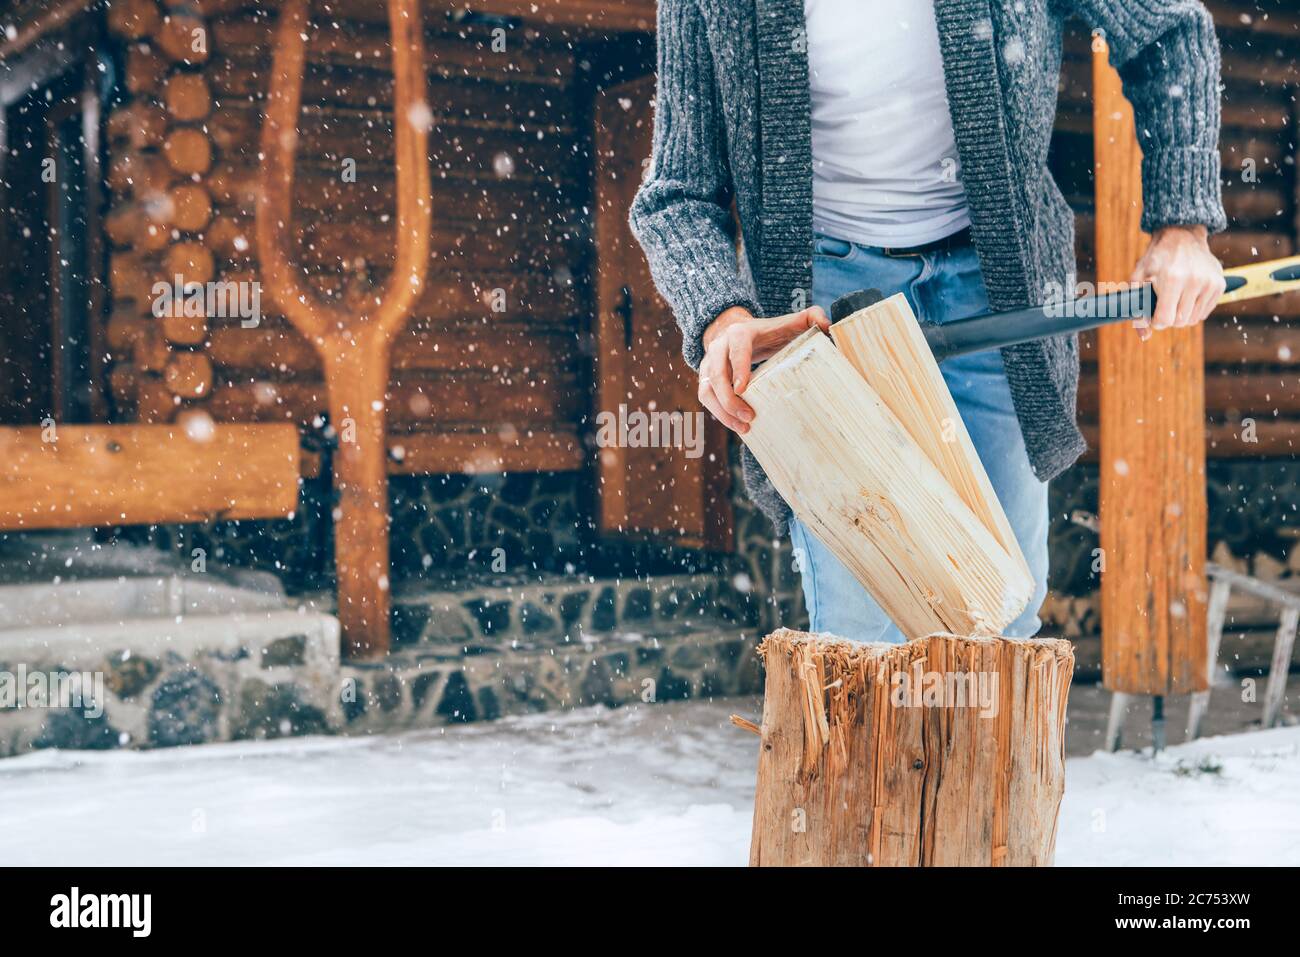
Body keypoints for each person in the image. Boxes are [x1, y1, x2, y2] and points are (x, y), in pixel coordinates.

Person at [630, 0, 1227, 642]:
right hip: (823, 302)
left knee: (1001, 616)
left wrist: (1183, 225)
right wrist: (721, 314)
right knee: (862, 636)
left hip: (994, 281)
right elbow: (678, 192)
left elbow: (1169, 30)